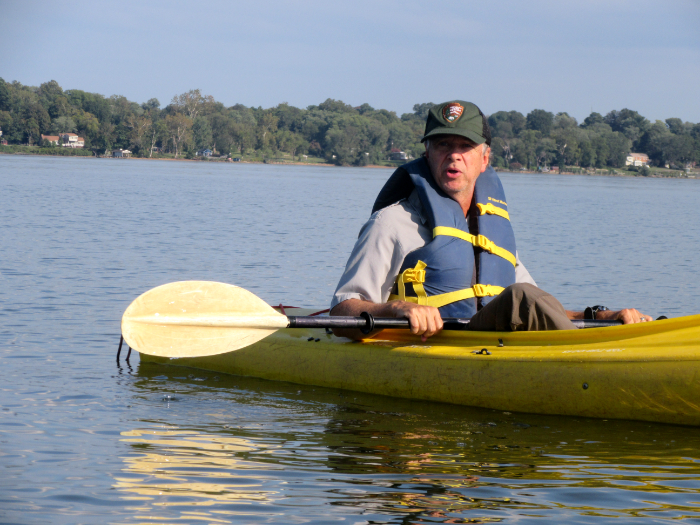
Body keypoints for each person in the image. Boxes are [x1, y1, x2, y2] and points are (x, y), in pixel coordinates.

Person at [330, 100, 650, 341]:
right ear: (427, 155)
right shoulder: (392, 222)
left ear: (484, 159)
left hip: (484, 340)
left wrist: (600, 315)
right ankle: (588, 357)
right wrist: (396, 309)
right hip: (435, 344)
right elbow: (342, 311)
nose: (454, 155)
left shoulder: (492, 228)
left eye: (465, 147)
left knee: (523, 293)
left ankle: (595, 346)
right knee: (522, 294)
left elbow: (536, 311)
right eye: (443, 145)